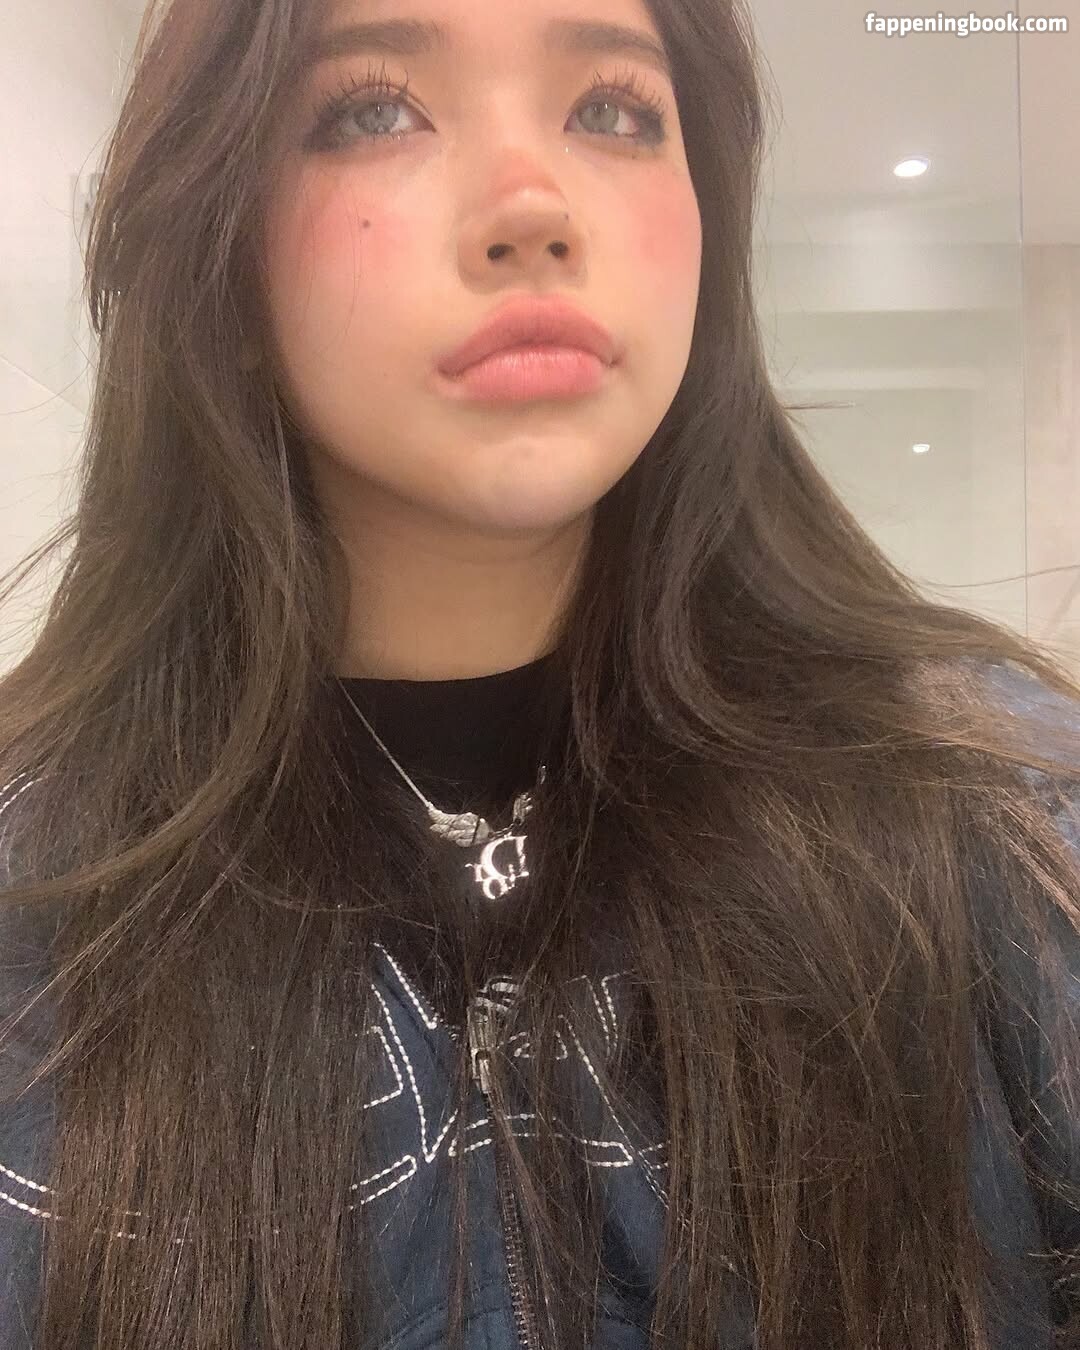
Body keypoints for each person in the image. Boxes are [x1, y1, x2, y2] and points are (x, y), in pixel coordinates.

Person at [1, 0, 1079, 1346]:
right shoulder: (40, 893)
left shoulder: (1001, 818)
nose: (532, 206)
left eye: (613, 110)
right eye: (374, 109)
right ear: (218, 233)